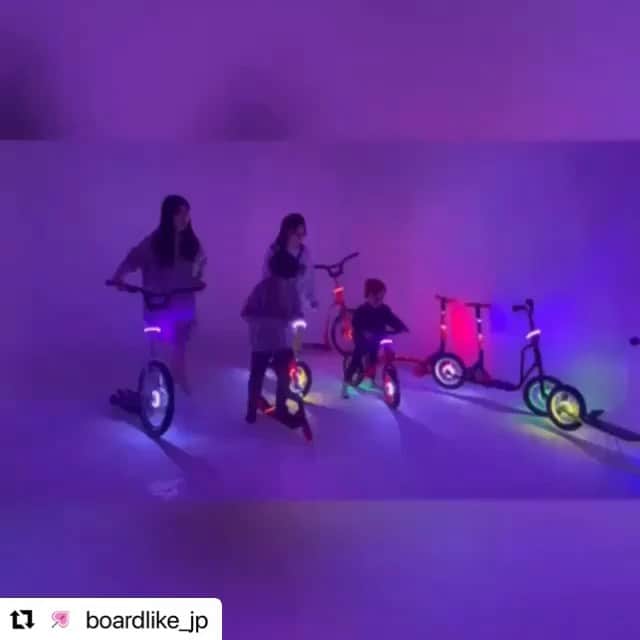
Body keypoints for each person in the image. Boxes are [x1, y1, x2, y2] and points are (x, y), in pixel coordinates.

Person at [111, 195, 206, 394]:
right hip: (158, 304)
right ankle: (155, 382)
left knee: (180, 346)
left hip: (183, 304)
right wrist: (119, 276)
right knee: (157, 348)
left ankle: (179, 378)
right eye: (179, 213)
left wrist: (197, 278)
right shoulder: (153, 242)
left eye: (187, 214)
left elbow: (200, 263)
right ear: (168, 215)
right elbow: (133, 259)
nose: (184, 218)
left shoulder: (192, 243)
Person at [242, 249, 304, 425]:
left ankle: (280, 408)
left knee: (284, 375)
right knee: (257, 376)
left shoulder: (292, 290)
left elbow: (297, 311)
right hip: (261, 342)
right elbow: (247, 313)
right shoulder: (262, 289)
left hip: (282, 342)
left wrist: (298, 322)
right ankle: (251, 410)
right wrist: (272, 321)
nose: (287, 282)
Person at [342, 278, 408, 398]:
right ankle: (346, 383)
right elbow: (357, 324)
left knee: (374, 359)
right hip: (363, 338)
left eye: (382, 298)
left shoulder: (384, 309)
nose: (380, 301)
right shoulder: (362, 310)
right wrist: (364, 332)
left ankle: (371, 380)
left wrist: (402, 327)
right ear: (369, 295)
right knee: (357, 358)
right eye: (377, 298)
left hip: (378, 336)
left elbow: (392, 319)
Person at [263, 213, 318, 311]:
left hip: (297, 307)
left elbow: (310, 279)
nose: (301, 238)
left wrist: (311, 299)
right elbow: (266, 278)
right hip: (277, 307)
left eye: (303, 234)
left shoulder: (304, 253)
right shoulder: (273, 251)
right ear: (288, 233)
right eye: (297, 234)